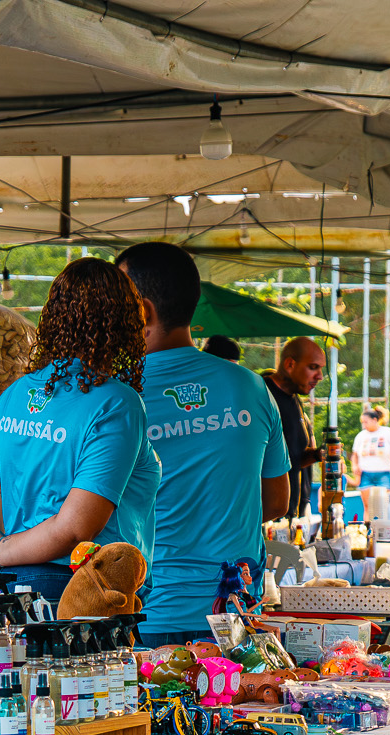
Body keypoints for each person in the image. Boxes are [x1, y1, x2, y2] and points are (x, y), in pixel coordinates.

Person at [0, 257, 152, 612]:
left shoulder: (20, 394)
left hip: (19, 591)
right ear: (126, 321)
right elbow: (75, 527)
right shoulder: (116, 403)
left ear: (53, 318)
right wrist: (0, 551)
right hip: (85, 593)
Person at [117, 242, 289, 644]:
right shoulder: (250, 387)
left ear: (142, 310)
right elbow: (278, 502)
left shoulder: (116, 394)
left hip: (144, 617)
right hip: (235, 620)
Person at [262, 337, 325, 523]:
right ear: (290, 364)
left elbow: (292, 458)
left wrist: (316, 455)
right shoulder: (262, 395)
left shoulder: (294, 399)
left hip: (290, 514)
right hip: (264, 517)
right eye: (313, 367)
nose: (320, 376)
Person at [351, 405, 390, 496]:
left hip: (384, 473)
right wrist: (355, 466)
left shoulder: (388, 432)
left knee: (382, 504)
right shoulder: (360, 436)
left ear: (374, 420)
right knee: (368, 505)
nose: (364, 425)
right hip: (366, 474)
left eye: (366, 422)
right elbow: (355, 455)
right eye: (363, 422)